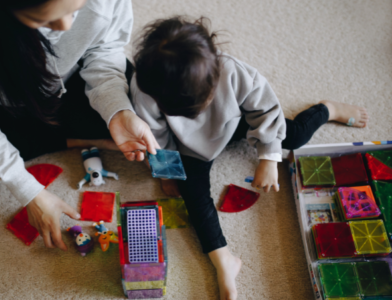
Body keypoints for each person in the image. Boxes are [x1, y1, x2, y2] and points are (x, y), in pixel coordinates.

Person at [131, 16, 368, 300]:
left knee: (294, 137)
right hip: (190, 146)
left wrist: (269, 158)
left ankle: (326, 110)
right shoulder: (146, 88)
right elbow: (155, 136)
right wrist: (167, 172)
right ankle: (224, 262)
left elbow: (267, 112)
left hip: (237, 120)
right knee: (193, 195)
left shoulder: (232, 71)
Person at [0, 0, 159, 252]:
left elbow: (104, 50)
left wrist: (117, 112)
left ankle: (64, 135)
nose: (66, 26)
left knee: (152, 107)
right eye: (43, 19)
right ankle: (70, 139)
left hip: (69, 81)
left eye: (76, 8)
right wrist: (29, 191)